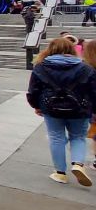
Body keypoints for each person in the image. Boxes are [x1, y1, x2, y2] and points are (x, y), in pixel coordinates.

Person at [26, 36, 96, 186]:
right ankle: (78, 163)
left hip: (51, 108)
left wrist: (36, 106)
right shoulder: (86, 68)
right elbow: (93, 92)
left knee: (56, 137)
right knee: (78, 137)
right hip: (80, 109)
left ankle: (60, 173)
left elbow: (33, 90)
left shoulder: (41, 66)